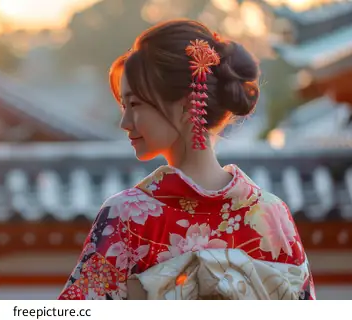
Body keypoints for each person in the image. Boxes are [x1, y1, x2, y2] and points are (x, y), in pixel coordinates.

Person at [58, 19, 315, 300]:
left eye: (134, 104)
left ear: (185, 104)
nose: (125, 122)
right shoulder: (273, 215)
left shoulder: (127, 217)